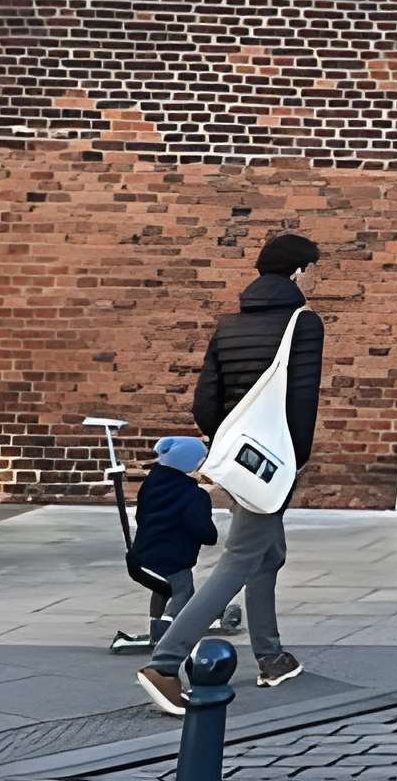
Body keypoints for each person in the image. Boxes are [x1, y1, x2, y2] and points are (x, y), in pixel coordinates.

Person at [138, 234, 324, 711]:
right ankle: (164, 663)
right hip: (274, 462)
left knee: (268, 553)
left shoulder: (229, 324)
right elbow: (302, 402)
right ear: (299, 271)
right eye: (313, 268)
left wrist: (232, 449)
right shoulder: (304, 323)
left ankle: (271, 658)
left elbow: (205, 402)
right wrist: (289, 464)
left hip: (239, 457)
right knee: (242, 557)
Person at [116, 435, 220, 650]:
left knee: (163, 588)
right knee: (183, 591)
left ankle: (155, 626)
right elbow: (204, 531)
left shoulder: (151, 484)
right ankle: (166, 630)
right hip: (173, 560)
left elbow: (141, 517)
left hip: (139, 559)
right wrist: (211, 533)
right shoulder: (193, 495)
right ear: (191, 464)